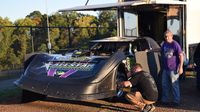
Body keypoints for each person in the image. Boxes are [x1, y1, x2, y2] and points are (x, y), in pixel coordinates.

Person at [160, 30, 184, 106]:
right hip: (165, 68)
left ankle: (176, 101)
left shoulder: (175, 44)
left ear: (171, 36)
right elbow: (160, 50)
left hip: (173, 68)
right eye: (165, 36)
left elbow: (181, 56)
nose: (166, 38)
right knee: (164, 84)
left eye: (168, 36)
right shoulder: (164, 44)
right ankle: (165, 100)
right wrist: (150, 50)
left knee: (174, 85)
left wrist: (181, 67)